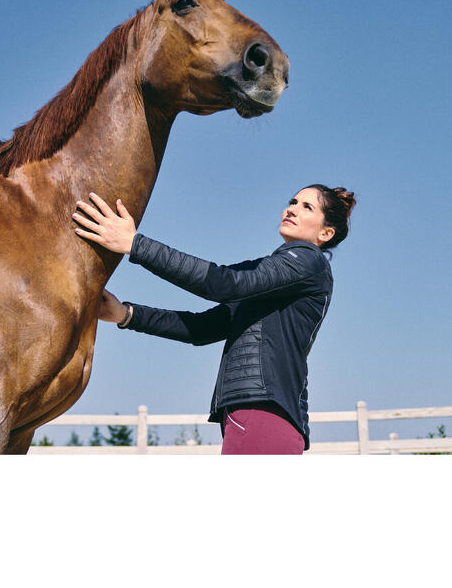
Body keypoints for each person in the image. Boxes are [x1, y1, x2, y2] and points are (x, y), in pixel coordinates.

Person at [73, 184, 356, 455]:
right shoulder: (277, 274)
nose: (292, 209)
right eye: (293, 202)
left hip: (263, 411)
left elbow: (223, 284)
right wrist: (126, 315)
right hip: (253, 412)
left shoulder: (308, 262)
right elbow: (203, 328)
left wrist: (135, 245)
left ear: (326, 233)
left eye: (307, 207)